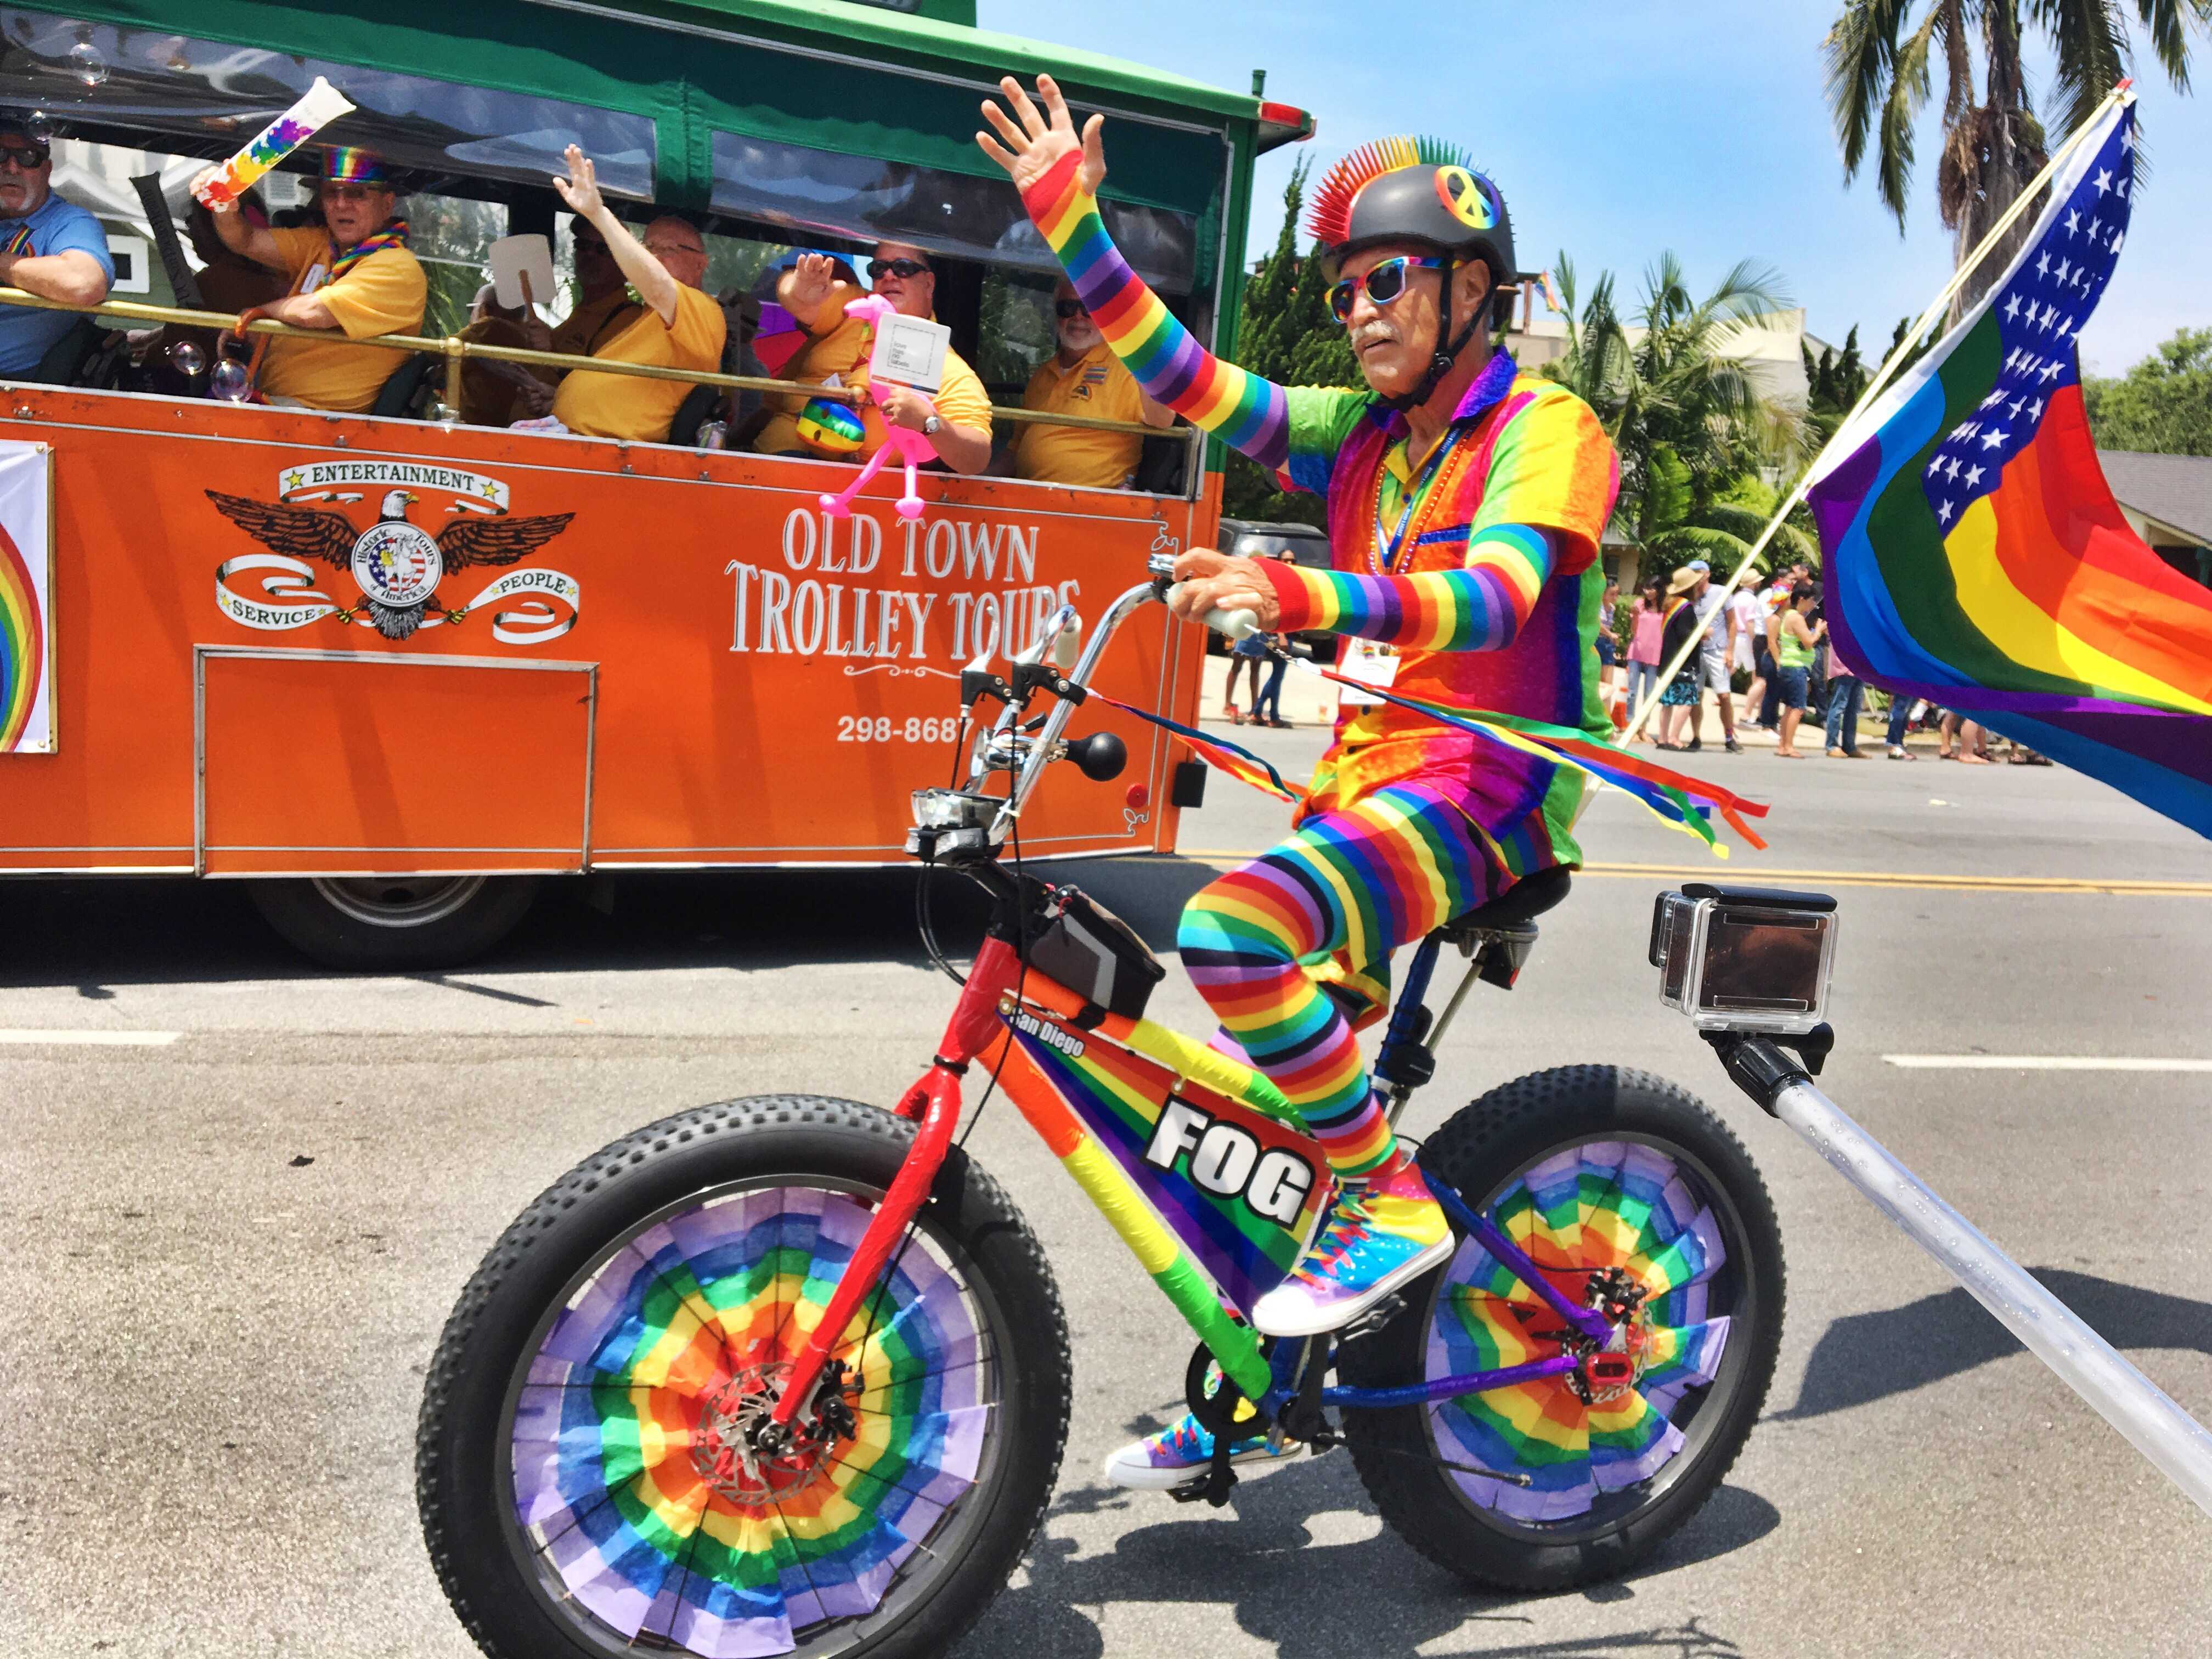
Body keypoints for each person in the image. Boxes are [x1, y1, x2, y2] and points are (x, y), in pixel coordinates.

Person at [980, 76, 1621, 1487]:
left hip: (1494, 786)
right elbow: (1191, 384)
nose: (1360, 311)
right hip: (1368, 779)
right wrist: (1074, 231)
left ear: (1471, 289)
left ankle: (1391, 1197)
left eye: (1385, 281)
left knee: (1230, 935)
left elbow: (1496, 598)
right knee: (1268, 1108)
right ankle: (1259, 1392)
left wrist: (1298, 589)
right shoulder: (1362, 435)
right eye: (1343, 291)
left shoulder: (1545, 425)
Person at [195, 147, 426, 414]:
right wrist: (224, 203)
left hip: (327, 424)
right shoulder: (321, 244)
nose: (341, 204)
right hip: (284, 410)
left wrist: (256, 316)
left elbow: (316, 312)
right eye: (331, 193)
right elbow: (244, 240)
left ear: (387, 204)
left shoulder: (399, 266)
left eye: (356, 194)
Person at [518, 149, 726, 442]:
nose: (654, 256)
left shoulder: (704, 310)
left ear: (700, 263)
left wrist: (598, 213)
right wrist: (557, 398)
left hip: (616, 457)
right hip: (578, 441)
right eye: (649, 248)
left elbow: (657, 284)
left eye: (668, 249)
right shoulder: (646, 316)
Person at [754, 240, 991, 474]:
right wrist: (797, 287)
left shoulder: (943, 362)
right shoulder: (855, 305)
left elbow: (977, 458)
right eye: (878, 269)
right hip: (767, 467)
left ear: (929, 284)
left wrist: (930, 423)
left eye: (904, 267)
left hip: (861, 495)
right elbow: (798, 298)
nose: (888, 275)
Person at [1010, 276, 1172, 487]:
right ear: (1057, 314)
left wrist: (1142, 358)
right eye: (1068, 307)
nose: (1078, 316)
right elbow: (1014, 450)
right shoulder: (1043, 374)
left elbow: (1163, 420)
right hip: (1024, 500)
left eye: (1091, 308)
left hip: (1094, 507)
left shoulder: (1128, 368)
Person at [0, 115, 114, 381]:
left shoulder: (69, 221)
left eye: (28, 157)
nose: (12, 168)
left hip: (18, 391)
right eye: (1, 155)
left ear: (47, 169)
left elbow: (84, 283)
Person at [1684, 561, 1741, 753]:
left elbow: (1732, 622)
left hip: (1717, 648)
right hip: (1695, 650)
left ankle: (1729, 737)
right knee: (1696, 695)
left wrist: (1730, 650)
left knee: (1724, 695)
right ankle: (1696, 737)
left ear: (1707, 574)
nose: (1696, 577)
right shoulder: (1687, 594)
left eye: (1699, 573)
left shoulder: (1720, 592)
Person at [1655, 566, 1705, 748]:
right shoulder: (1685, 608)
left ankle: (1662, 738)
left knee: (1667, 702)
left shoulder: (1670, 605)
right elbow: (1685, 634)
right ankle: (1674, 738)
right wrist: (1702, 633)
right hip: (1682, 663)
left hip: (1667, 661)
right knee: (1687, 701)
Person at [1773, 581, 1824, 758]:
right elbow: (1808, 642)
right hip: (1796, 667)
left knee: (1789, 708)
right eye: (1811, 600)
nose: (1812, 605)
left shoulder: (1788, 616)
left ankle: (1782, 745)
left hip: (1789, 665)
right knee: (1797, 708)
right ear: (1801, 599)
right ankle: (1788, 746)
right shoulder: (1796, 618)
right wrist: (1818, 631)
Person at [1625, 575, 1665, 738]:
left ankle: (1643, 728)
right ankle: (1630, 725)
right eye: (1646, 588)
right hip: (1637, 651)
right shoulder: (1639, 605)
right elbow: (1634, 631)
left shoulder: (1666, 608)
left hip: (1655, 654)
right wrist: (1635, 617)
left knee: (1649, 694)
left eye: (1652, 589)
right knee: (1632, 691)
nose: (1648, 592)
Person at [1729, 576, 1767, 723]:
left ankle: (1721, 694)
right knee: (1758, 677)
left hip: (1736, 635)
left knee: (1733, 666)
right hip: (1746, 637)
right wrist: (1755, 641)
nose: (1759, 583)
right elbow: (1750, 622)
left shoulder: (1736, 597)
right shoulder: (1752, 600)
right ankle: (1750, 711)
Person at [1823, 638, 1866, 758]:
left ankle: (1849, 746)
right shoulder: (1843, 620)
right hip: (1845, 666)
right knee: (1839, 706)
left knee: (1853, 709)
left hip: (1860, 666)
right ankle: (1832, 745)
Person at [1595, 575, 1620, 696]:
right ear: (1604, 594)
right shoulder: (1596, 607)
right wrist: (1610, 634)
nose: (1615, 597)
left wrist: (1612, 637)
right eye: (1612, 594)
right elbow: (1597, 624)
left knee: (1608, 683)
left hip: (1607, 644)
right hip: (1596, 642)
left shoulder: (1612, 609)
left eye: (1617, 594)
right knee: (1596, 681)